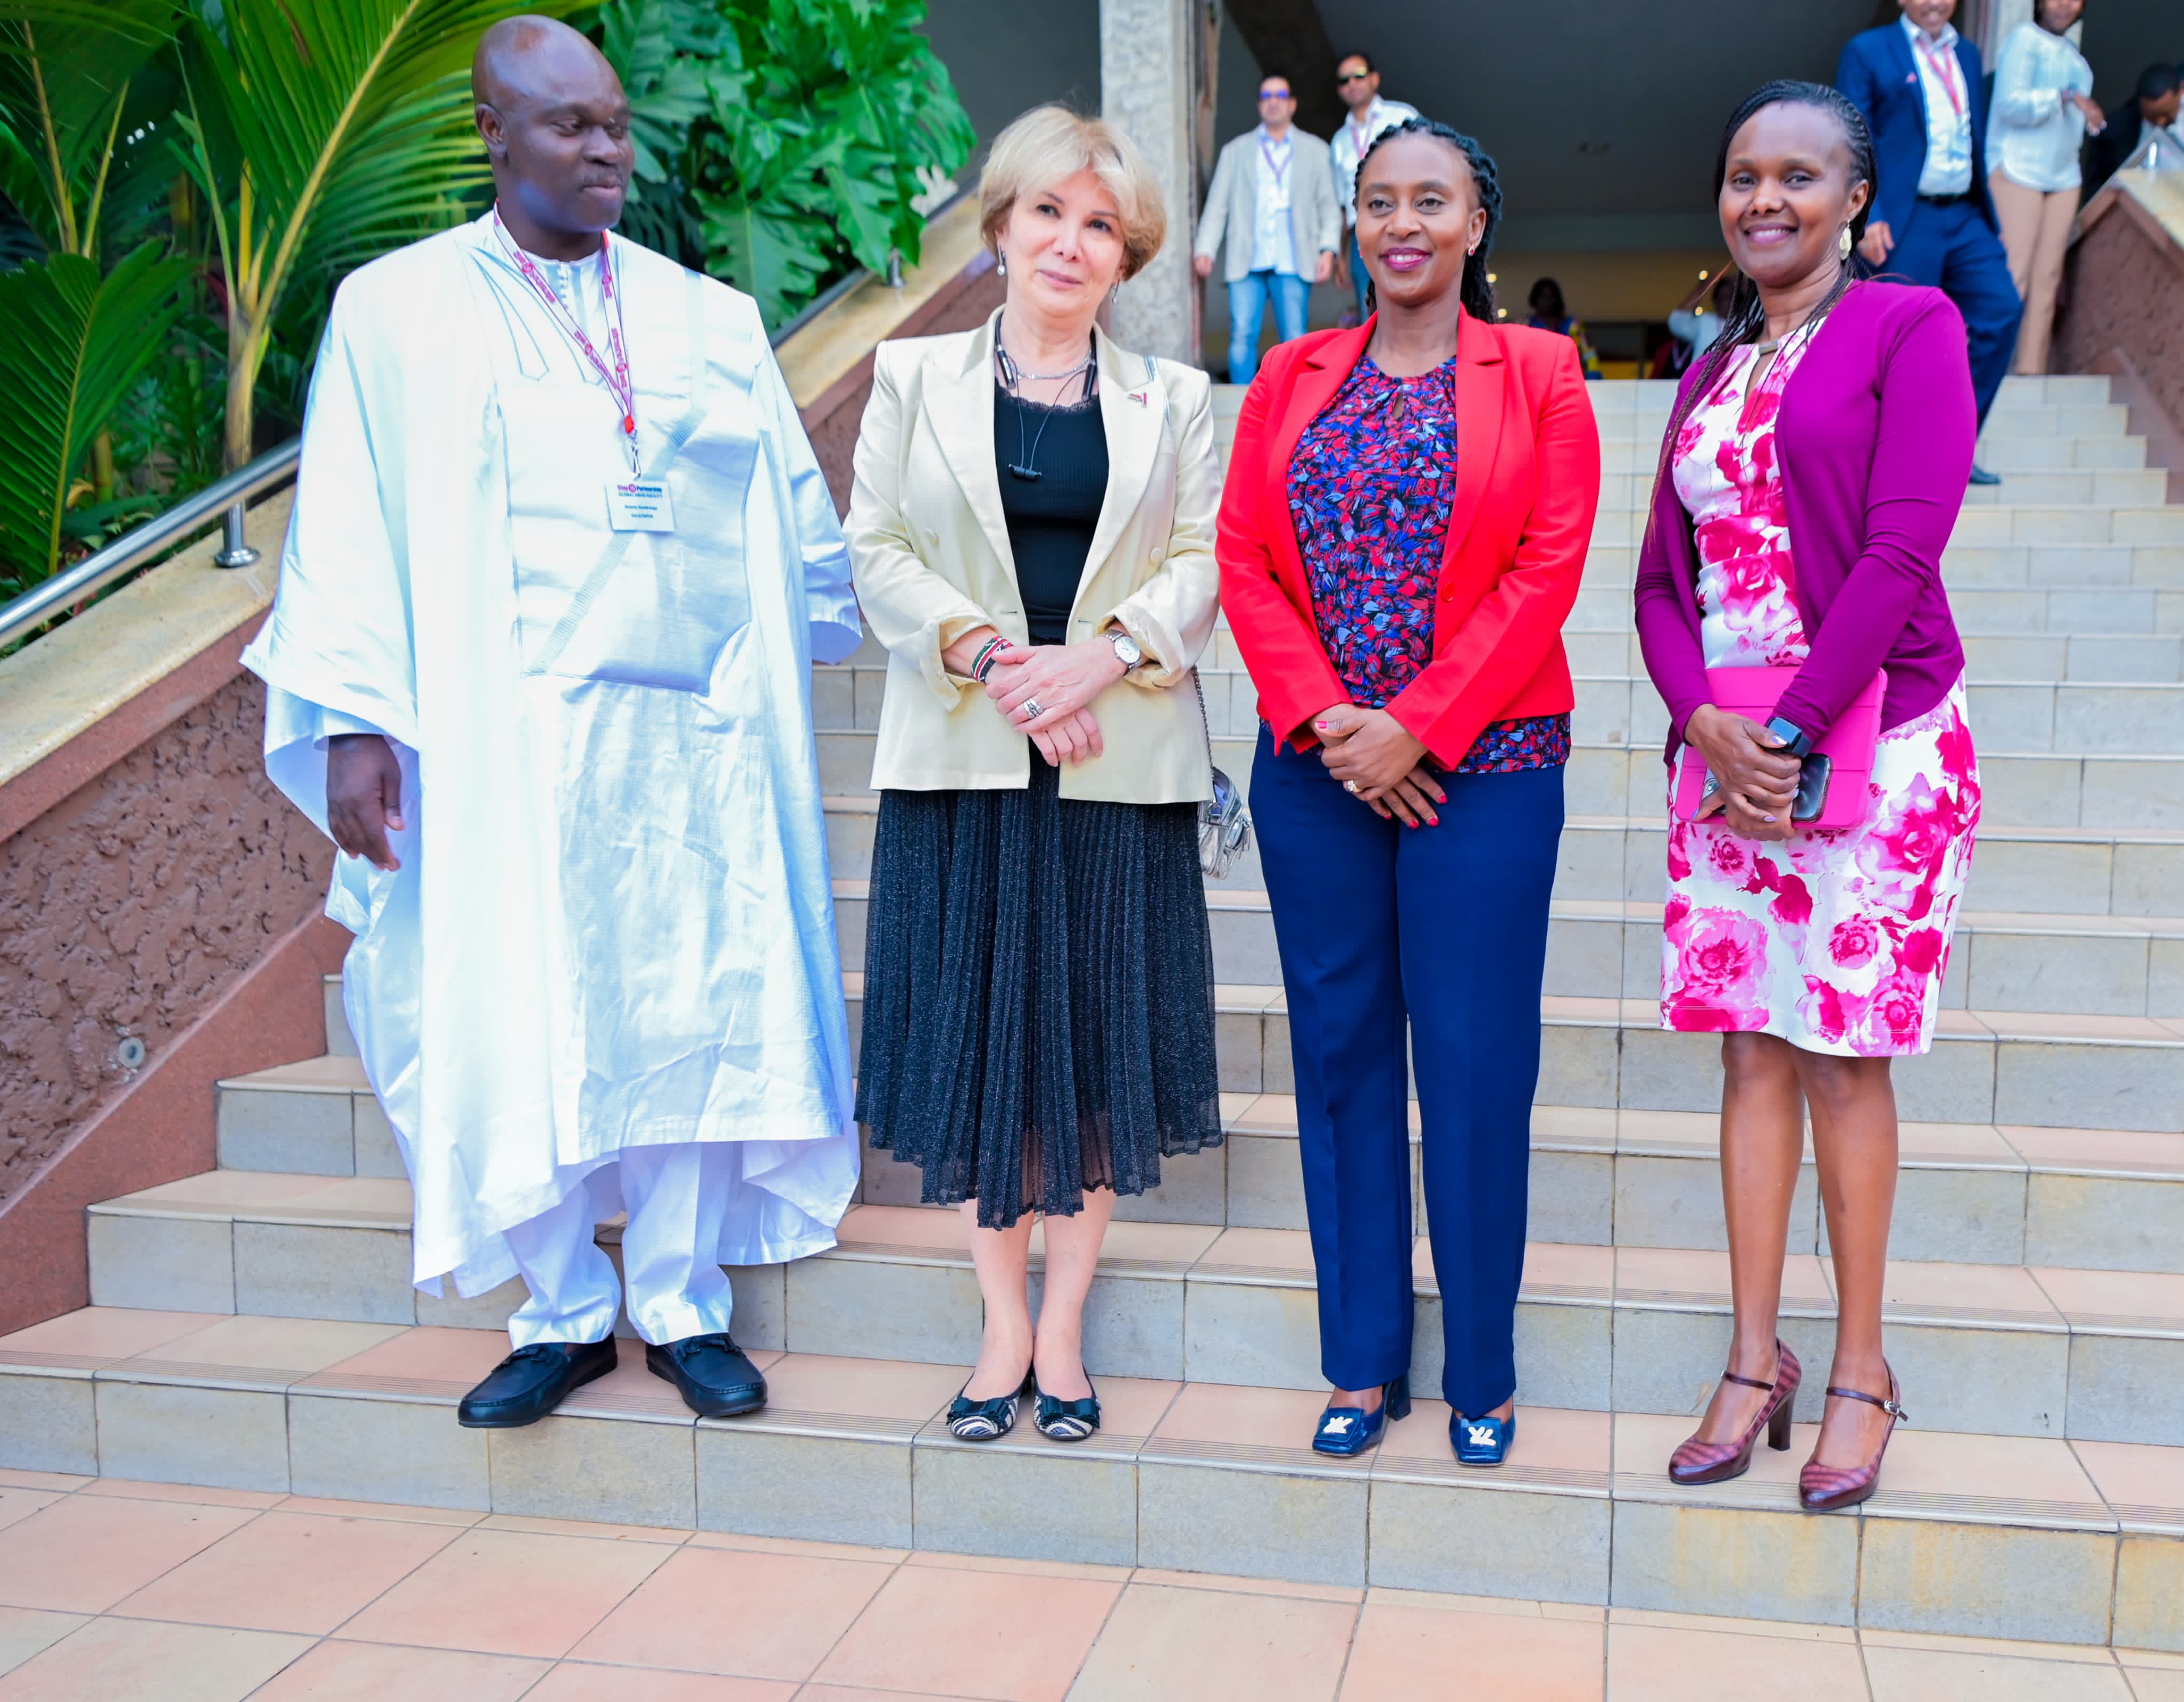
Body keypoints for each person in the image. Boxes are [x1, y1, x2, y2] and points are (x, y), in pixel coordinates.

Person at [241, 17, 864, 1430]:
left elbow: (791, 520)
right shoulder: (393, 312)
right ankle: (560, 1311)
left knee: (700, 992)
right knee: (500, 996)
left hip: (688, 748)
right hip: (494, 750)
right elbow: (345, 521)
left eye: (616, 124)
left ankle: (681, 1301)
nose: (606, 150)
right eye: (571, 125)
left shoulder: (706, 318)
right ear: (492, 132)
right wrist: (348, 719)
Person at [1219, 118, 1601, 1467]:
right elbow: (1243, 555)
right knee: (1341, 1062)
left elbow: (1546, 569)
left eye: (1428, 201)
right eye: (1377, 201)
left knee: (1478, 1066)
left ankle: (1482, 1365)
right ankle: (1360, 1357)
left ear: (1473, 222)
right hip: (1316, 772)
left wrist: (1416, 730)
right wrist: (1331, 720)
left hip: (1484, 774)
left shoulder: (1545, 373)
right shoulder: (1290, 372)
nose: (1401, 224)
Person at [846, 105, 1224, 1447]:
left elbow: (1199, 561)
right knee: (983, 1040)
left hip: (1113, 756)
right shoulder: (910, 379)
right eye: (1048, 214)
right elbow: (876, 548)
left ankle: (1064, 1327)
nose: (1071, 243)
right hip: (963, 758)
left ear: (1126, 260)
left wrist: (1099, 659)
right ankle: (1000, 1323)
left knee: (1094, 1048)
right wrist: (999, 659)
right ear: (1001, 225)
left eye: (1100, 226)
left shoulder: (1171, 400)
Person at [1635, 81, 1980, 1513]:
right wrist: (1709, 726)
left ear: (1855, 201)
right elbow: (1660, 581)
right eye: (1740, 176)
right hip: (1731, 755)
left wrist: (1790, 726)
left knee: (1844, 1057)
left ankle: (1863, 1368)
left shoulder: (1913, 330)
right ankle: (1753, 1353)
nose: (1762, 198)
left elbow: (1903, 552)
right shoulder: (1709, 369)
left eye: (1796, 176)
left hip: (1880, 740)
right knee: (1750, 1056)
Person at [1838, 0, 2021, 483]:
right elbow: (1849, 136)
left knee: (2000, 311)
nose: (1935, 2)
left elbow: (1972, 137)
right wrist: (1866, 215)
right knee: (1900, 340)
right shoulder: (1869, 50)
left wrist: (1988, 215)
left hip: (1964, 214)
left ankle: (1954, 448)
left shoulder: (1968, 55)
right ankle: (1886, 458)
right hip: (1904, 216)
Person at [1195, 73, 1340, 384]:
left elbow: (1328, 205)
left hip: (1294, 256)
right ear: (1260, 105)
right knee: (1243, 333)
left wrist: (1328, 249)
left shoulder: (1316, 150)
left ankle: (1293, 404)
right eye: (1266, 96)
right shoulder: (1236, 151)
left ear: (1292, 104)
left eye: (1280, 95)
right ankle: (1240, 405)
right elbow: (1218, 204)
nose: (1273, 102)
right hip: (1247, 257)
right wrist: (1205, 248)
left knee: (1295, 337)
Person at [1989, 0, 2103, 374]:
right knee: (2014, 273)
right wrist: (2064, 97)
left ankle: (2030, 372)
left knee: (2048, 279)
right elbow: (2009, 105)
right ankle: (1994, 372)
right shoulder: (2024, 39)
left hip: (2063, 176)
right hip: (2018, 169)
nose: (2065, 5)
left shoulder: (2075, 58)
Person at [1328, 53, 1422, 326]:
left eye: (1358, 75)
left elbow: (1428, 168)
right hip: (1363, 233)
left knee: (1410, 296)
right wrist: (1341, 256)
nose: (1352, 83)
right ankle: (1379, 367)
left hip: (1402, 224)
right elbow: (1343, 204)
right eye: (1344, 80)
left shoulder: (1403, 116)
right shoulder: (1340, 140)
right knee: (1368, 304)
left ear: (1374, 78)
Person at [2085, 64, 2183, 193]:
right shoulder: (2115, 131)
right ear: (2140, 102)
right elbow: (2097, 187)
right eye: (2153, 117)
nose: (2160, 122)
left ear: (2181, 90)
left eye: (2166, 114)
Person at [1523, 277, 1603, 379]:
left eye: (1551, 296)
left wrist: (1593, 380)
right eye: (1543, 296)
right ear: (1535, 299)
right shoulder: (1527, 326)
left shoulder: (1573, 326)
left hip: (1568, 381)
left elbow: (1589, 355)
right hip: (1535, 383)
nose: (1547, 301)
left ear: (1557, 299)